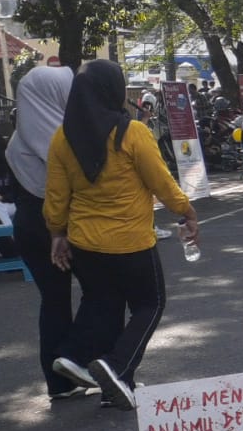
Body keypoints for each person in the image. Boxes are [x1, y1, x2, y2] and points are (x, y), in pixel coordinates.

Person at [44, 60, 199, 411]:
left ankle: (85, 362)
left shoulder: (63, 137)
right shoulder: (132, 132)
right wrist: (186, 211)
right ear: (113, 90)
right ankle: (116, 366)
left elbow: (56, 195)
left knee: (102, 303)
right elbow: (161, 182)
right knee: (150, 304)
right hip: (131, 242)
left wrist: (56, 233)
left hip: (85, 242)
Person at [8, 66, 80, 400]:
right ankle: (90, 361)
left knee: (54, 300)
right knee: (103, 294)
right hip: (60, 224)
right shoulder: (65, 136)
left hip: (27, 224)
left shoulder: (18, 138)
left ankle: (60, 382)